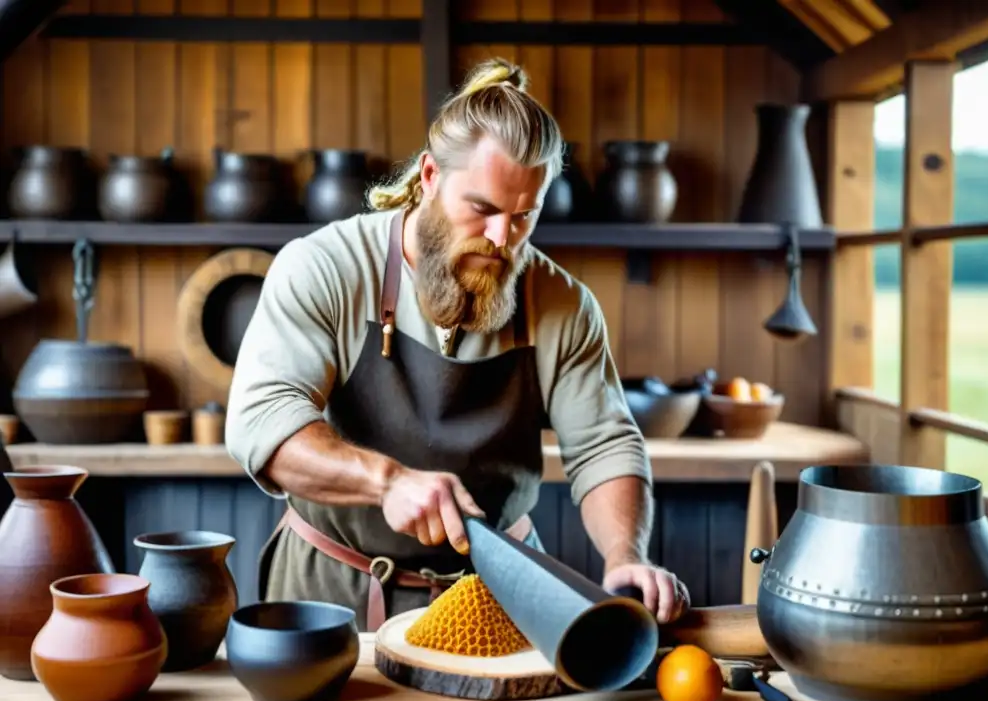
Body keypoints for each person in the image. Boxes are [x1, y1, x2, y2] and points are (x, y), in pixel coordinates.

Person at [224, 57, 690, 632]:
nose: (502, 239)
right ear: (429, 177)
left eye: (524, 216)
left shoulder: (564, 305)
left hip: (496, 597)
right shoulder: (324, 268)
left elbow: (605, 447)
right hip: (332, 595)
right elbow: (262, 421)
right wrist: (385, 482)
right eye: (484, 209)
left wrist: (625, 557)